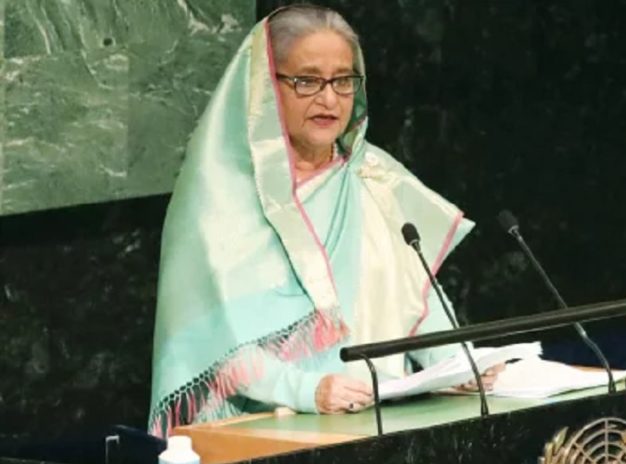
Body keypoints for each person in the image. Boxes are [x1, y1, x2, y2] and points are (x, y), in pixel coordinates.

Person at [148, 5, 499, 437]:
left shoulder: (374, 178)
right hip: (268, 434)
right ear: (265, 86)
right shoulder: (222, 196)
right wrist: (307, 391)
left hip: (385, 426)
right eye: (307, 80)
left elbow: (416, 294)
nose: (330, 99)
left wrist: (458, 363)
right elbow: (215, 343)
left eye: (343, 80)